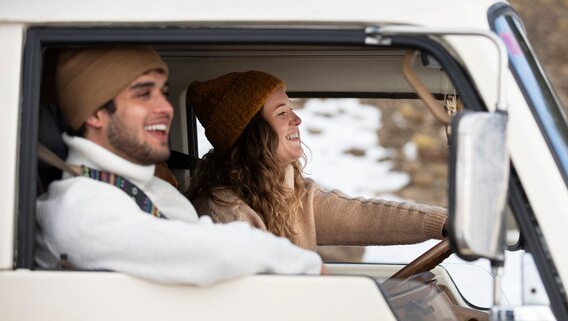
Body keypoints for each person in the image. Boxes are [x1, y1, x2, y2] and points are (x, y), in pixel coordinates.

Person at [36, 47, 323, 286]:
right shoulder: (78, 206)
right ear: (95, 114)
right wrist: (308, 267)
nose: (166, 107)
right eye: (143, 94)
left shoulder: (151, 188)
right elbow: (209, 252)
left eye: (164, 93)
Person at [185, 71, 448, 253]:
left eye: (291, 108)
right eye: (282, 113)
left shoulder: (291, 194)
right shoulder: (225, 213)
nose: (296, 120)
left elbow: (362, 216)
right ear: (252, 134)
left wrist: (445, 223)